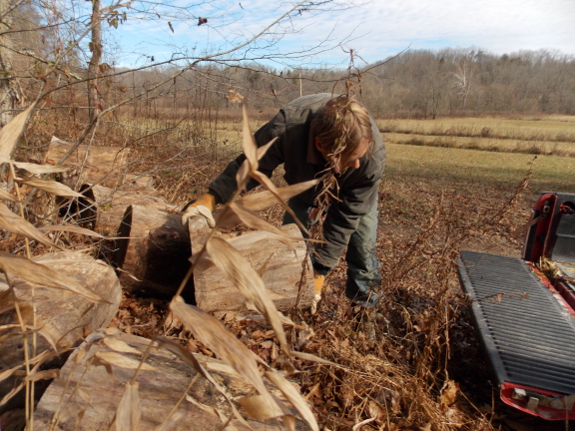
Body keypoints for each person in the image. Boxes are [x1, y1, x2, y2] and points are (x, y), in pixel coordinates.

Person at [182, 93, 386, 309]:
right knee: (294, 248)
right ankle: (293, 301)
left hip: (353, 194)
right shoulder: (286, 128)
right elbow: (250, 166)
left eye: (359, 156)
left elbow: (346, 218)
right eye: (350, 157)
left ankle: (365, 311)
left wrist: (320, 272)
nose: (356, 163)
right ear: (319, 144)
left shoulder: (369, 160)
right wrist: (210, 199)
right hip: (303, 184)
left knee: (363, 253)